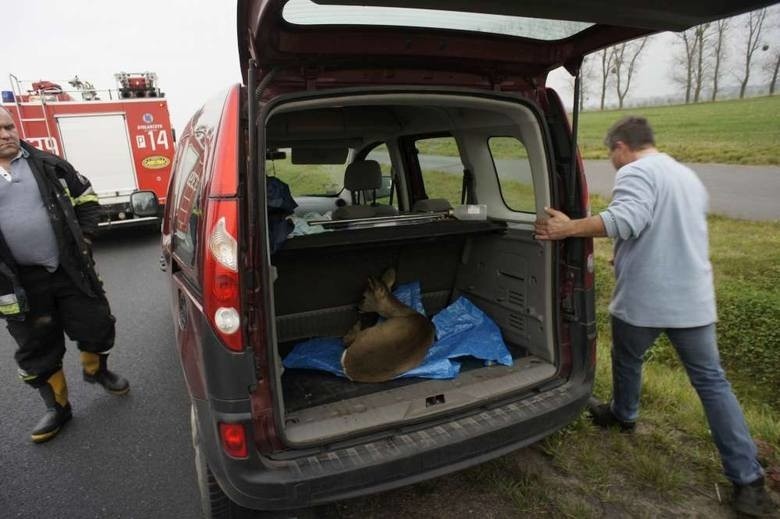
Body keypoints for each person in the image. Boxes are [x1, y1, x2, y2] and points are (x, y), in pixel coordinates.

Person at [534, 116, 772, 517]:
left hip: (646, 300)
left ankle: (624, 415)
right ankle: (748, 481)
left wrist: (568, 228)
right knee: (713, 383)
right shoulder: (685, 175)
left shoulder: (636, 171)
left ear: (621, 147)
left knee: (628, 358)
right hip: (694, 299)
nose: (613, 162)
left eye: (612, 154)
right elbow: (662, 228)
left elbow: (626, 219)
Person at [0, 107, 129, 443]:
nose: (6, 134)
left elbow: (86, 198)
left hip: (69, 269)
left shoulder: (48, 164)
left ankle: (97, 371)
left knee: (97, 325)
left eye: (9, 126)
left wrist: (84, 239)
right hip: (18, 285)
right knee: (36, 347)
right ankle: (58, 407)